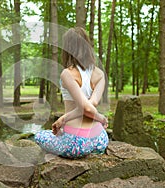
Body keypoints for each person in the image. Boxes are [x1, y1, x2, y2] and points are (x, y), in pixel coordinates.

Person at [34, 27, 109, 158]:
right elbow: (92, 105)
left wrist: (64, 118)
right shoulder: (100, 74)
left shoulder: (67, 74)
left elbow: (86, 108)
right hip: (100, 139)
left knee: (39, 135)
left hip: (76, 142)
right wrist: (101, 118)